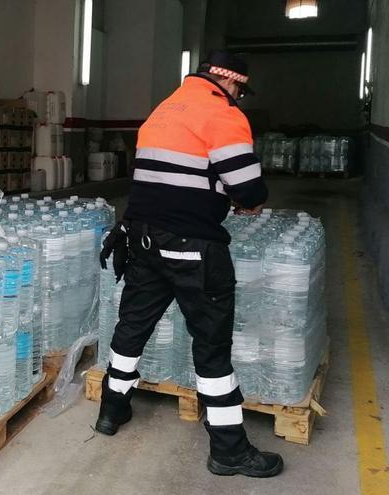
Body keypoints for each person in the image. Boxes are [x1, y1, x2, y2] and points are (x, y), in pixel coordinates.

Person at [97, 50, 282, 477]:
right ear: (231, 84)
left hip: (142, 239)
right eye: (239, 90)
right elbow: (249, 188)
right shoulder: (223, 115)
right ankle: (229, 449)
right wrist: (245, 201)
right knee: (212, 346)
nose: (238, 96)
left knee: (132, 328)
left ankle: (111, 411)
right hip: (193, 249)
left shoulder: (161, 111)